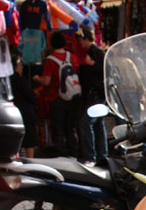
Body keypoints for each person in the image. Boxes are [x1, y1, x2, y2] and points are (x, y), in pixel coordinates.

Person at [33, 31, 80, 158]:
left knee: (59, 129)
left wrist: (37, 79)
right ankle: (74, 153)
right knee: (70, 127)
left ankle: (62, 155)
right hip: (74, 97)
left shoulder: (50, 60)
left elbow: (47, 81)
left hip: (56, 97)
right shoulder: (73, 57)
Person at [77, 26, 108, 167]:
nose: (79, 42)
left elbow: (104, 69)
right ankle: (102, 155)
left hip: (96, 94)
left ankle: (92, 156)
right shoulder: (96, 51)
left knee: (87, 123)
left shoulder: (94, 51)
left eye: (81, 39)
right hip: (98, 94)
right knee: (98, 124)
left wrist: (92, 64)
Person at [10, 53, 38, 157]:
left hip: (13, 113)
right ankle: (31, 162)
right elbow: (31, 96)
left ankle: (15, 158)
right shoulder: (21, 80)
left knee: (16, 139)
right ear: (17, 67)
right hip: (26, 113)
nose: (22, 67)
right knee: (29, 140)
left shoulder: (7, 80)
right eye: (21, 64)